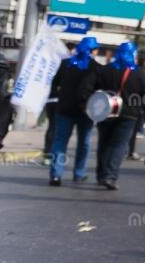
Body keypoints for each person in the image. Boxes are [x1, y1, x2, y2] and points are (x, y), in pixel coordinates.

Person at [94, 40, 145, 189]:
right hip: (128, 115)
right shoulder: (139, 73)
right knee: (118, 145)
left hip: (105, 111)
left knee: (103, 143)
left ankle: (101, 175)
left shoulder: (105, 69)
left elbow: (93, 87)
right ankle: (110, 176)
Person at [47, 36, 100, 185]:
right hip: (86, 112)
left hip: (64, 109)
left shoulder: (66, 64)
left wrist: (58, 97)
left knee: (60, 141)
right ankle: (79, 172)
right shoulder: (96, 68)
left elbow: (53, 83)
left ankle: (56, 174)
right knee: (84, 143)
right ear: (93, 50)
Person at [127, 50, 145, 160]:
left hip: (132, 105)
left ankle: (129, 150)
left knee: (131, 130)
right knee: (132, 130)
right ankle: (130, 151)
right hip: (136, 106)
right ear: (143, 62)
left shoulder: (134, 71)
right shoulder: (141, 74)